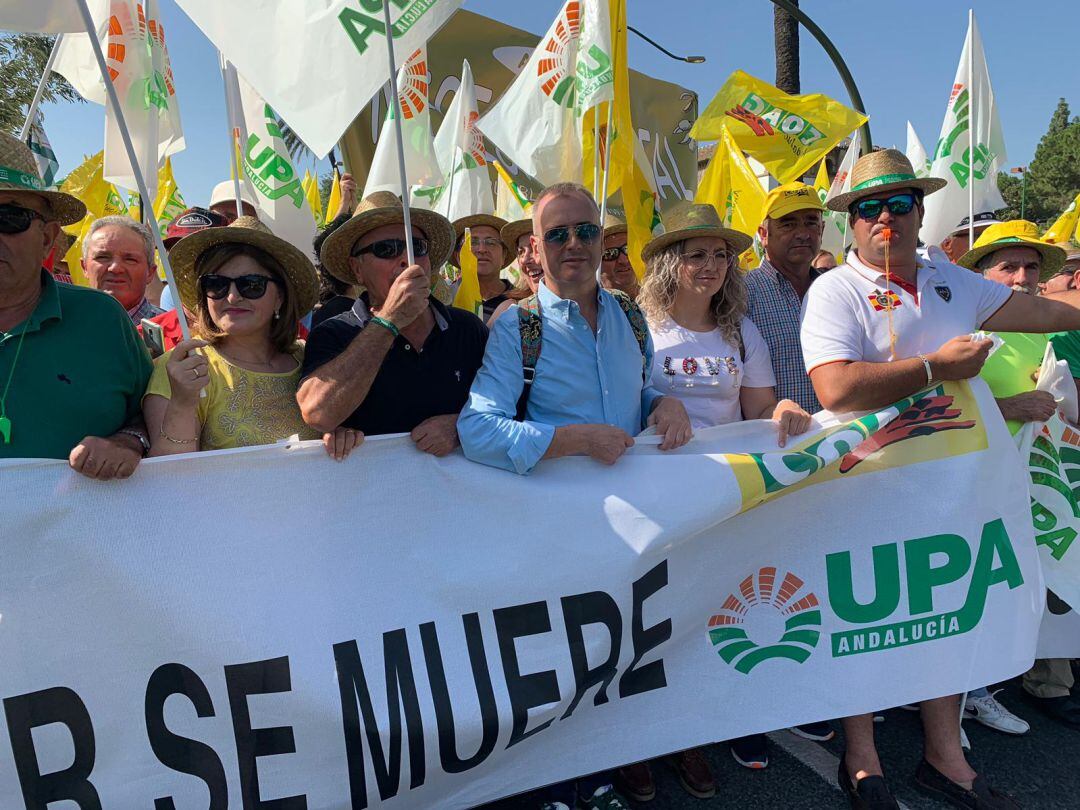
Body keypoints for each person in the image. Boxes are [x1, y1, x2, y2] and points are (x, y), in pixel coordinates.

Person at [804, 149, 1080, 810]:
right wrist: (935, 368)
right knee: (865, 621)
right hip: (866, 487)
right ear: (852, 220)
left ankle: (944, 757)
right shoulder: (835, 290)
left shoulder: (952, 278)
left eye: (900, 203)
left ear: (921, 211)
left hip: (952, 487)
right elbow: (835, 387)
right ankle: (862, 759)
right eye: (869, 207)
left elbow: (1038, 313)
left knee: (947, 618)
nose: (886, 218)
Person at [460, 182, 690, 809]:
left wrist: (663, 401)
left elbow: (638, 396)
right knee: (561, 664)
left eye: (584, 231)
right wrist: (574, 440)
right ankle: (566, 786)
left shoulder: (629, 315)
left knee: (621, 650)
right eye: (556, 234)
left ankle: (613, 767)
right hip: (554, 534)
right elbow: (477, 429)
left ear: (601, 238)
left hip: (633, 528)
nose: (573, 245)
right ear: (533, 249)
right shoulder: (518, 329)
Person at [957, 222, 1078, 733]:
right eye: (1008, 266)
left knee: (1014, 585)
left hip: (1030, 482)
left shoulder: (1045, 334)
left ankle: (987, 683)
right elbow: (936, 405)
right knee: (970, 586)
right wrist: (1010, 404)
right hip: (972, 478)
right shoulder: (964, 330)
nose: (1022, 276)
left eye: (1031, 267)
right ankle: (960, 696)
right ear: (983, 276)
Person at [0, 131, 152, 478]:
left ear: (48, 239)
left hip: (83, 531)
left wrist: (129, 441)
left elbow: (152, 412)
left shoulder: (103, 319)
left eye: (9, 219)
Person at [142, 216, 357, 459]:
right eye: (217, 284)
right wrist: (182, 403)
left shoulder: (313, 359)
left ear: (280, 296)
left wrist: (341, 436)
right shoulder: (183, 368)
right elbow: (170, 475)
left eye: (251, 285)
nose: (232, 297)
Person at [298, 192, 487, 455]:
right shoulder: (334, 333)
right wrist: (390, 320)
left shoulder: (468, 328)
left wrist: (461, 426)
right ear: (357, 269)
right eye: (386, 249)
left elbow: (511, 407)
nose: (406, 259)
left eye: (416, 247)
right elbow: (318, 414)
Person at [745, 182, 829, 415]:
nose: (802, 233)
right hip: (776, 445)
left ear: (821, 229)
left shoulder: (836, 290)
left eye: (811, 222)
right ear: (763, 234)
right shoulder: (741, 294)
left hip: (842, 441)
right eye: (788, 224)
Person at [81, 215, 164, 324]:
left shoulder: (179, 333)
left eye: (130, 259)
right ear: (84, 267)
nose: (115, 268)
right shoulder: (64, 326)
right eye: (103, 257)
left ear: (150, 272)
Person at [450, 213, 515, 320]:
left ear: (504, 255)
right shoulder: (444, 300)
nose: (482, 249)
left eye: (491, 242)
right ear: (458, 257)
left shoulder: (521, 304)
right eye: (472, 242)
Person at [487, 217, 543, 325]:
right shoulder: (511, 312)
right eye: (521, 251)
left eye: (535, 248)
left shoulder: (583, 304)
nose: (525, 259)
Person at [599, 216, 640, 299]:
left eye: (628, 249)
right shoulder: (587, 309)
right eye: (610, 253)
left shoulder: (662, 301)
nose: (623, 260)